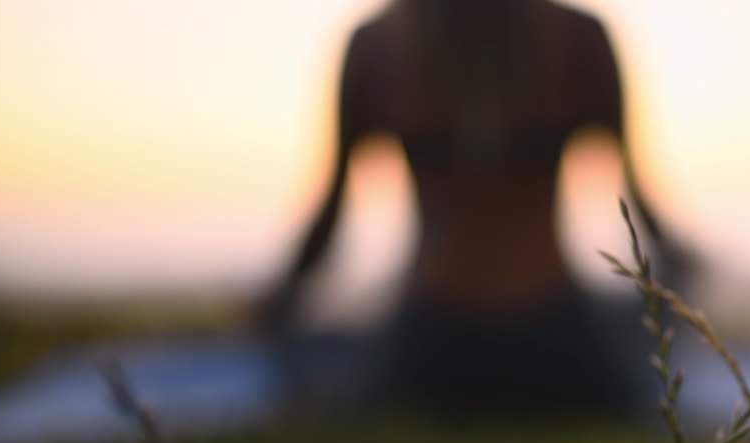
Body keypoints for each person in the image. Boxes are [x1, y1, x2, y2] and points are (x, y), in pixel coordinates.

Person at [262, 0, 695, 418]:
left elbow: (330, 214)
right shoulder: (579, 37)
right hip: (556, 334)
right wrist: (682, 274)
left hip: (430, 341)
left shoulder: (377, 44)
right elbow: (639, 198)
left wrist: (278, 303)